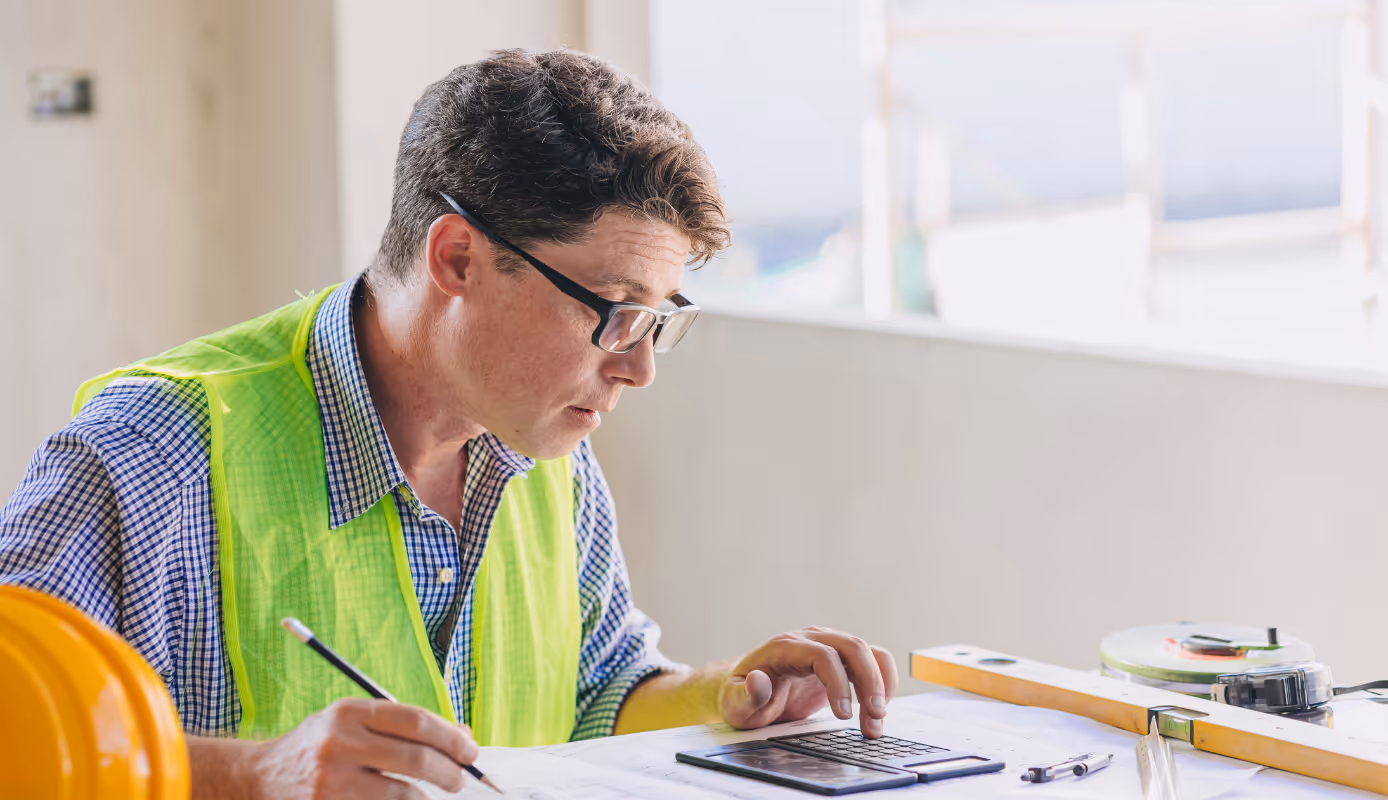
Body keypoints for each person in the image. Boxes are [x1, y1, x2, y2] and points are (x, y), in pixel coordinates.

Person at [0, 49, 895, 799]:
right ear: (459, 257)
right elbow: (19, 748)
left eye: (659, 316)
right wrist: (255, 773)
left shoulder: (547, 450)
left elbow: (595, 693)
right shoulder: (149, 458)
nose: (638, 365)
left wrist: (727, 697)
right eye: (616, 309)